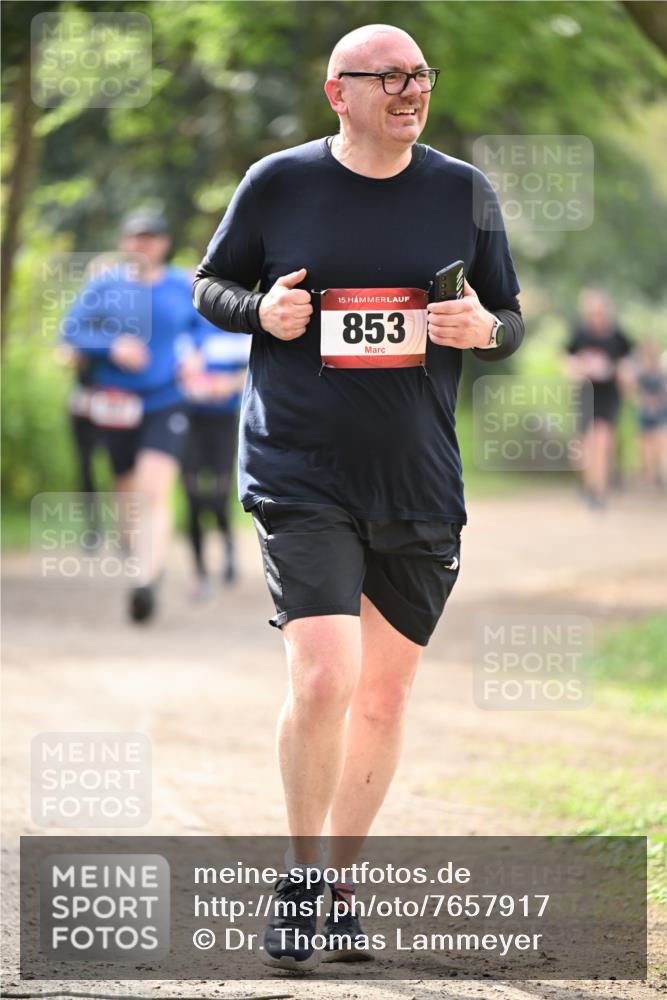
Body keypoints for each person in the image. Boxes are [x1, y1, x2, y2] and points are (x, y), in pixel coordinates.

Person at [193, 24, 524, 971]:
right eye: (387, 77)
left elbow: (508, 316)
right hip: (300, 469)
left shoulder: (463, 190)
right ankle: (298, 884)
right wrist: (262, 310)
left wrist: (481, 329)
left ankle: (339, 887)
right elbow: (209, 283)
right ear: (338, 93)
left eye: (418, 75)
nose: (408, 89)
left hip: (417, 477)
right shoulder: (279, 182)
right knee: (326, 676)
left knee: (382, 694)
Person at [61, 210, 202, 623]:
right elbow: (70, 333)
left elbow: (206, 329)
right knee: (126, 491)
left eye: (152, 238)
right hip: (116, 404)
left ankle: (145, 581)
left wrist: (195, 353)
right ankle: (137, 555)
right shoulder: (105, 286)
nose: (143, 245)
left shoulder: (183, 285)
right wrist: (112, 345)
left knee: (153, 490)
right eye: (136, 238)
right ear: (124, 243)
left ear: (164, 243)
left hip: (166, 400)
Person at [179, 323, 250, 600]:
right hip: (189, 421)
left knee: (219, 496)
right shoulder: (185, 329)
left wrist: (228, 383)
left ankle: (229, 545)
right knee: (193, 498)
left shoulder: (237, 328)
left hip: (223, 424)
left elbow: (256, 372)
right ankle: (199, 573)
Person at [565, 288, 632, 509]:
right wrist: (575, 368)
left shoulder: (617, 336)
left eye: (599, 311)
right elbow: (567, 358)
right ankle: (589, 484)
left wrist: (625, 375)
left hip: (608, 394)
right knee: (585, 444)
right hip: (586, 392)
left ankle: (599, 491)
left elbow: (628, 364)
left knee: (602, 440)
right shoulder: (580, 334)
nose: (596, 316)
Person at [631, 337, 667, 489]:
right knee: (647, 448)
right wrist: (645, 402)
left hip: (660, 414)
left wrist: (657, 401)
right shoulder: (640, 376)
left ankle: (661, 476)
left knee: (661, 445)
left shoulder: (661, 374)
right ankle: (652, 478)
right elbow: (633, 394)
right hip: (646, 415)